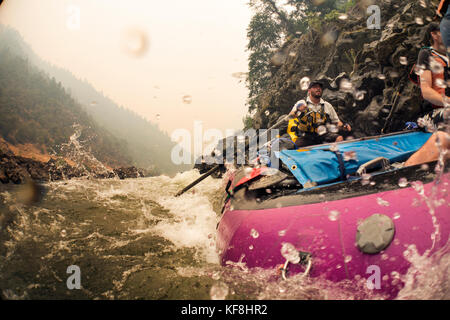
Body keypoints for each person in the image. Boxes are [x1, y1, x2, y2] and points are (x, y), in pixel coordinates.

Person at [405, 21, 450, 167]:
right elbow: (427, 92)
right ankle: (407, 168)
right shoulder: (426, 54)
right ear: (435, 34)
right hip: (433, 113)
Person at [287, 80, 351, 148]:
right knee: (296, 147)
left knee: (339, 138)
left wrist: (344, 125)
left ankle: (333, 156)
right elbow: (290, 116)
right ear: (309, 91)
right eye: (315, 87)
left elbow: (337, 122)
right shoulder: (302, 102)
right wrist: (297, 110)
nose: (318, 88)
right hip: (306, 136)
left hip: (322, 134)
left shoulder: (327, 105)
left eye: (320, 87)